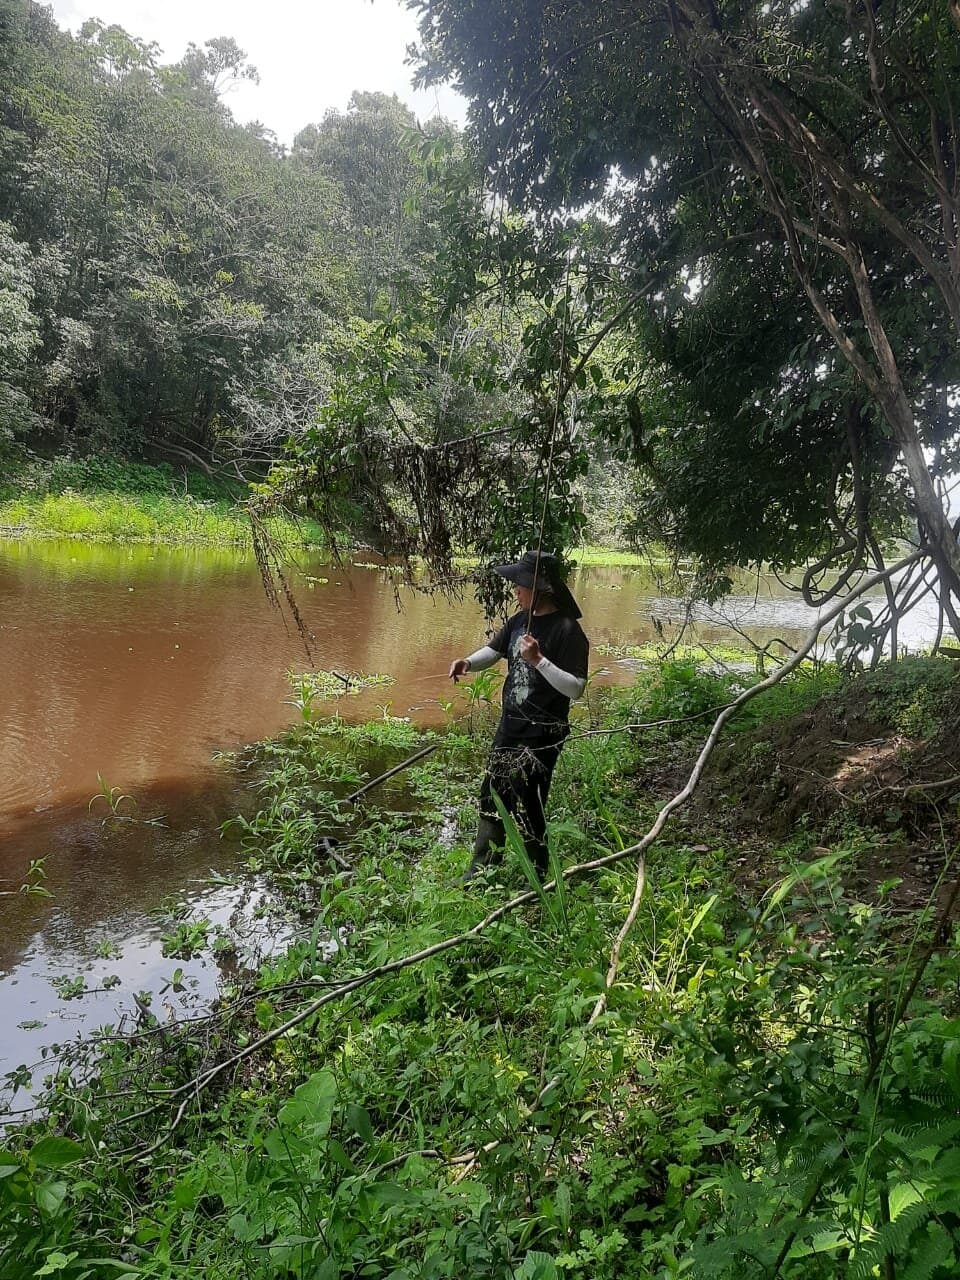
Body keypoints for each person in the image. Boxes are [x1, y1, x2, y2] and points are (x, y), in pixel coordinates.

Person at [449, 551, 589, 881]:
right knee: (493, 794)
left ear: (539, 588)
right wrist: (468, 662)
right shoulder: (518, 621)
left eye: (520, 585)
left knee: (531, 803)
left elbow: (576, 689)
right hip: (510, 727)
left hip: (542, 735)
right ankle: (481, 873)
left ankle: (538, 875)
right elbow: (496, 650)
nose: (515, 591)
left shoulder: (568, 632)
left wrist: (539, 659)